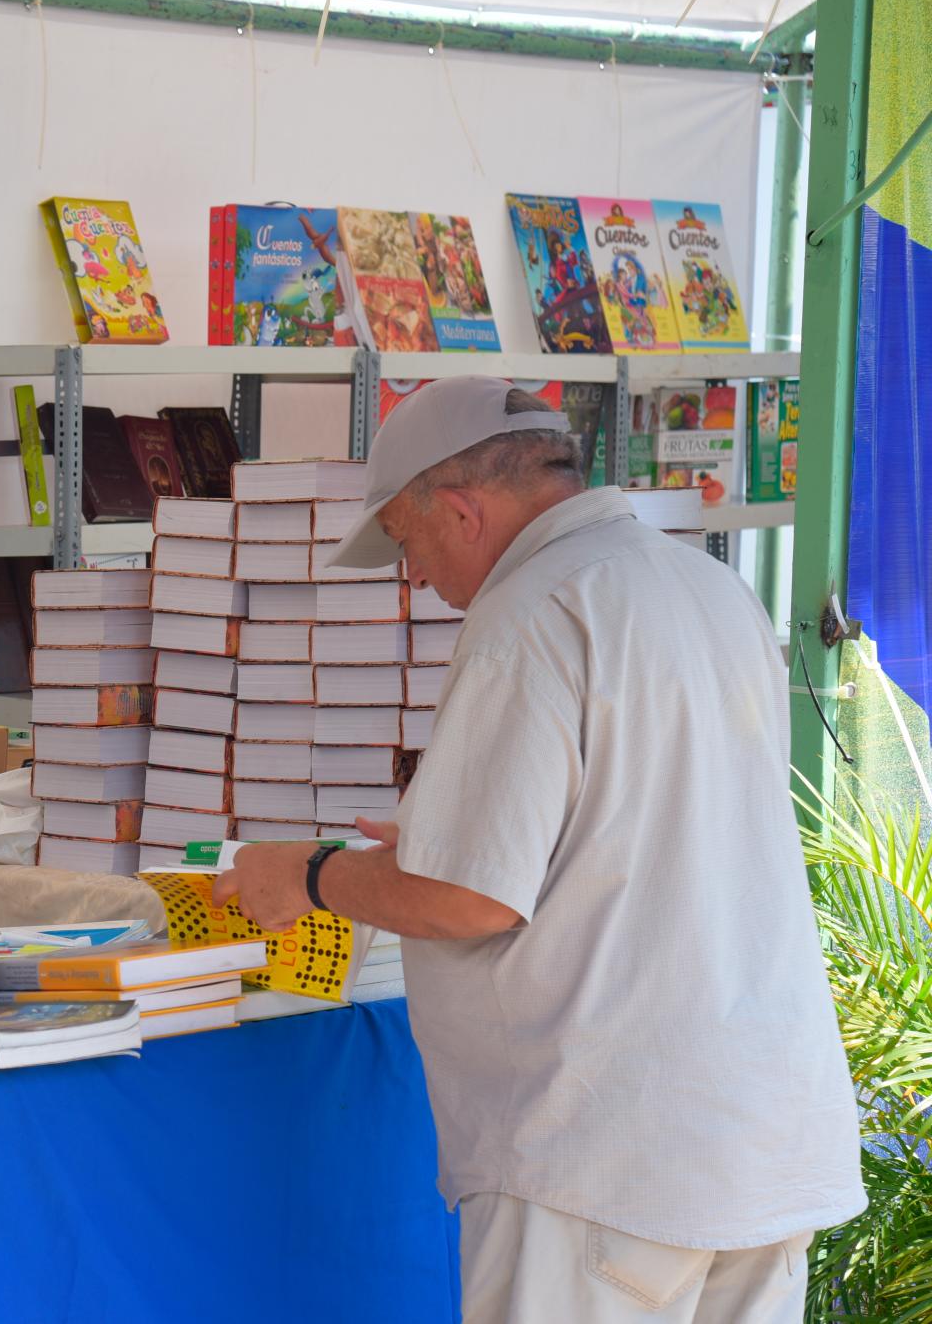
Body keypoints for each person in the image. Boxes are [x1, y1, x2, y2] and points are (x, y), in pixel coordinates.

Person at [214, 376, 863, 1323]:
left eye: (405, 541)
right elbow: (648, 825)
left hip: (604, 1162)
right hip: (756, 1141)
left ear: (464, 510)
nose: (414, 577)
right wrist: (448, 842)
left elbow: (470, 899)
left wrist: (308, 875)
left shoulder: (529, 613)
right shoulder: (709, 586)